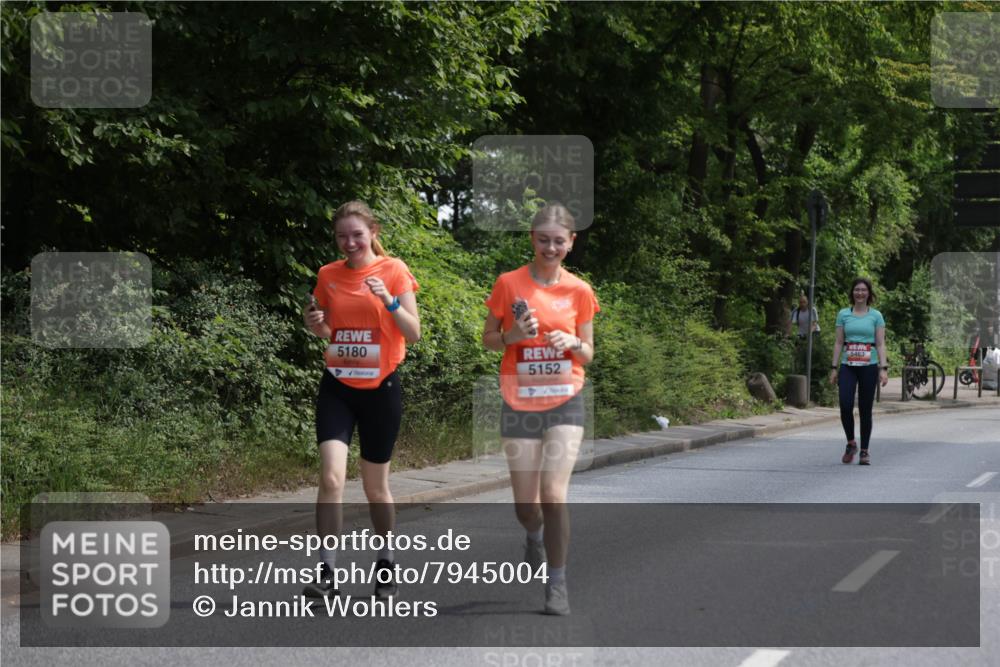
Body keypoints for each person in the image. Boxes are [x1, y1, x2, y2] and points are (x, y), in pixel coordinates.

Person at [482, 203, 599, 616]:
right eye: (544, 240)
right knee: (526, 507)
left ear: (571, 242)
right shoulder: (509, 283)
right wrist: (511, 336)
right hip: (519, 402)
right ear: (532, 239)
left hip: (565, 398)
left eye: (559, 242)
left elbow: (588, 352)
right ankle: (533, 536)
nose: (551, 248)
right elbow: (488, 339)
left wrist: (573, 343)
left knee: (553, 493)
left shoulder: (579, 291)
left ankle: (557, 583)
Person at [301, 200, 420, 601]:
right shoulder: (328, 274)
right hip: (337, 386)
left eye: (357, 234)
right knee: (331, 478)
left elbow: (414, 332)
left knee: (375, 488)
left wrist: (389, 300)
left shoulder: (394, 270)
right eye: (342, 236)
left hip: (381, 390)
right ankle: (326, 571)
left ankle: (386, 562)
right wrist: (315, 324)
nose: (349, 243)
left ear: (373, 232)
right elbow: (328, 329)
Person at [828, 278, 888, 466]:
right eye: (857, 290)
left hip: (869, 366)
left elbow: (880, 343)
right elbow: (839, 342)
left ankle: (864, 451)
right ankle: (851, 443)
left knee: (865, 409)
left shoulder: (876, 316)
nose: (860, 293)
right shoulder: (843, 314)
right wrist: (834, 368)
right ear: (852, 293)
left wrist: (883, 368)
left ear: (869, 293)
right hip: (848, 365)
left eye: (863, 290)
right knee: (845, 405)